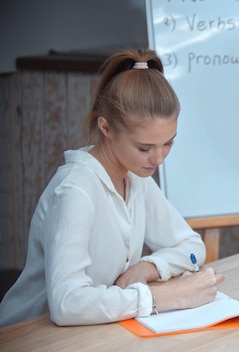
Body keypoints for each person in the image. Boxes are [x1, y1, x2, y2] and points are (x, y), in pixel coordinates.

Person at [0, 49, 224, 328]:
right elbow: (67, 304)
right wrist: (165, 296)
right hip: (30, 335)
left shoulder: (137, 178)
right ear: (105, 127)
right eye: (145, 147)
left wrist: (149, 267)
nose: (158, 159)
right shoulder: (76, 190)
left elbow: (192, 248)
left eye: (168, 143)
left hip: (96, 332)